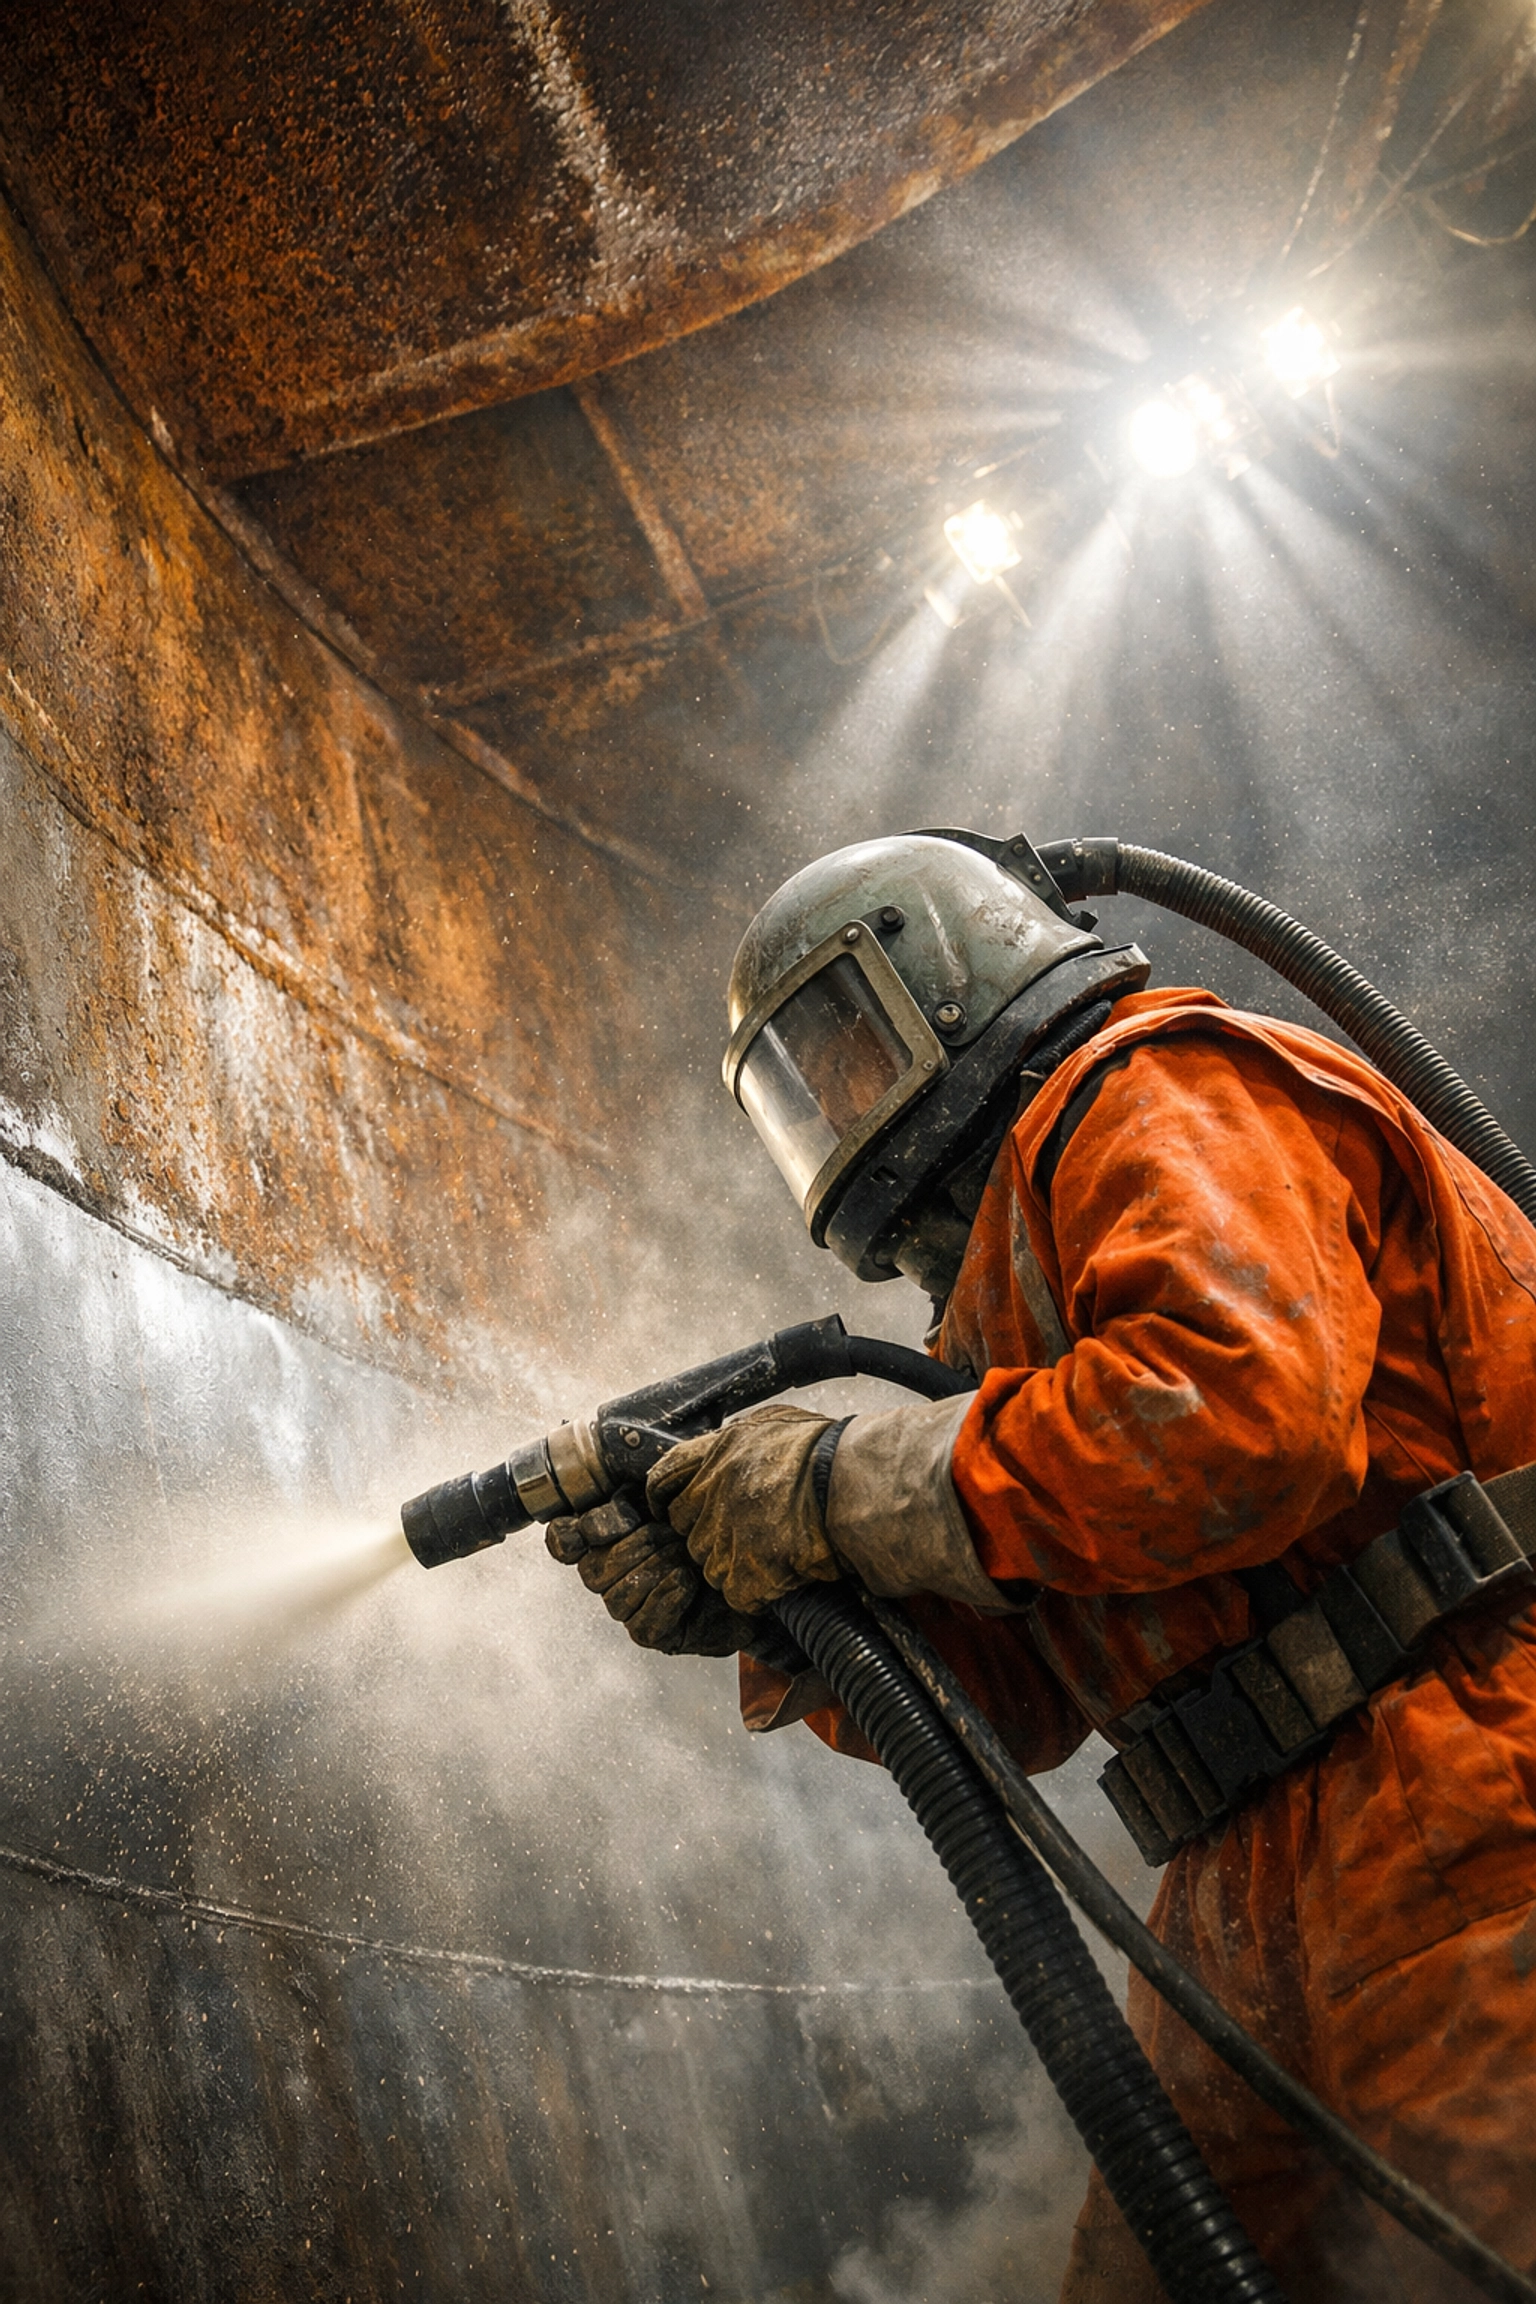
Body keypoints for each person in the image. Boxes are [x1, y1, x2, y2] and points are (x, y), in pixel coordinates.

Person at [548, 830, 1536, 2301]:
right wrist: (769, 1603)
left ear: (947, 978)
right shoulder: (1004, 1285)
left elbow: (1230, 1418)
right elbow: (1021, 1697)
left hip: (1470, 1779)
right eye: (804, 1092)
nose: (839, 1110)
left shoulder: (1154, 1089)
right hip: (1237, 1880)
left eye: (849, 1050)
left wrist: (834, 1487)